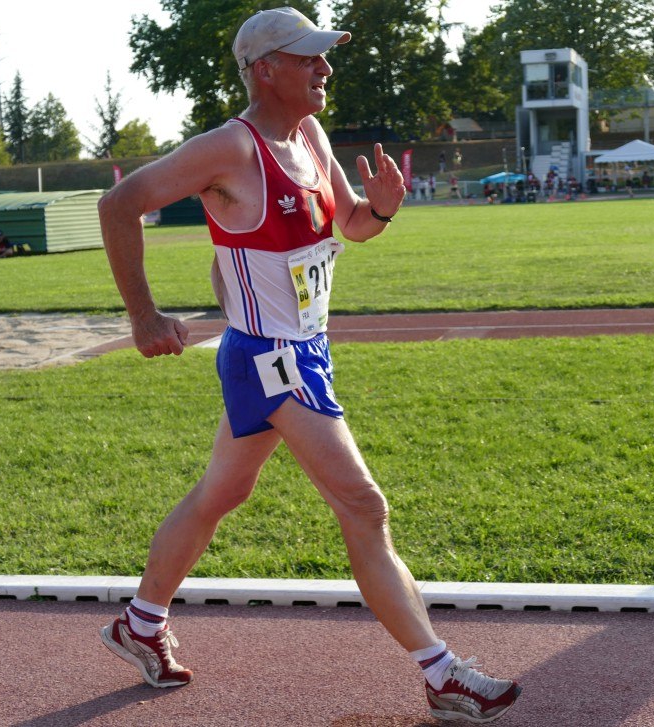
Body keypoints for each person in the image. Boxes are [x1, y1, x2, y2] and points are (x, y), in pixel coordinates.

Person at [95, 7, 521, 724]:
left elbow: (349, 225)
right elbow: (119, 203)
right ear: (266, 70)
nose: (325, 70)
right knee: (364, 503)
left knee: (218, 495)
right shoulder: (229, 148)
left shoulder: (311, 136)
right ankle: (442, 672)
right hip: (269, 358)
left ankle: (138, 623)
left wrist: (380, 212)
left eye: (325, 58)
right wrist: (142, 315)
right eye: (309, 58)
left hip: (305, 353)